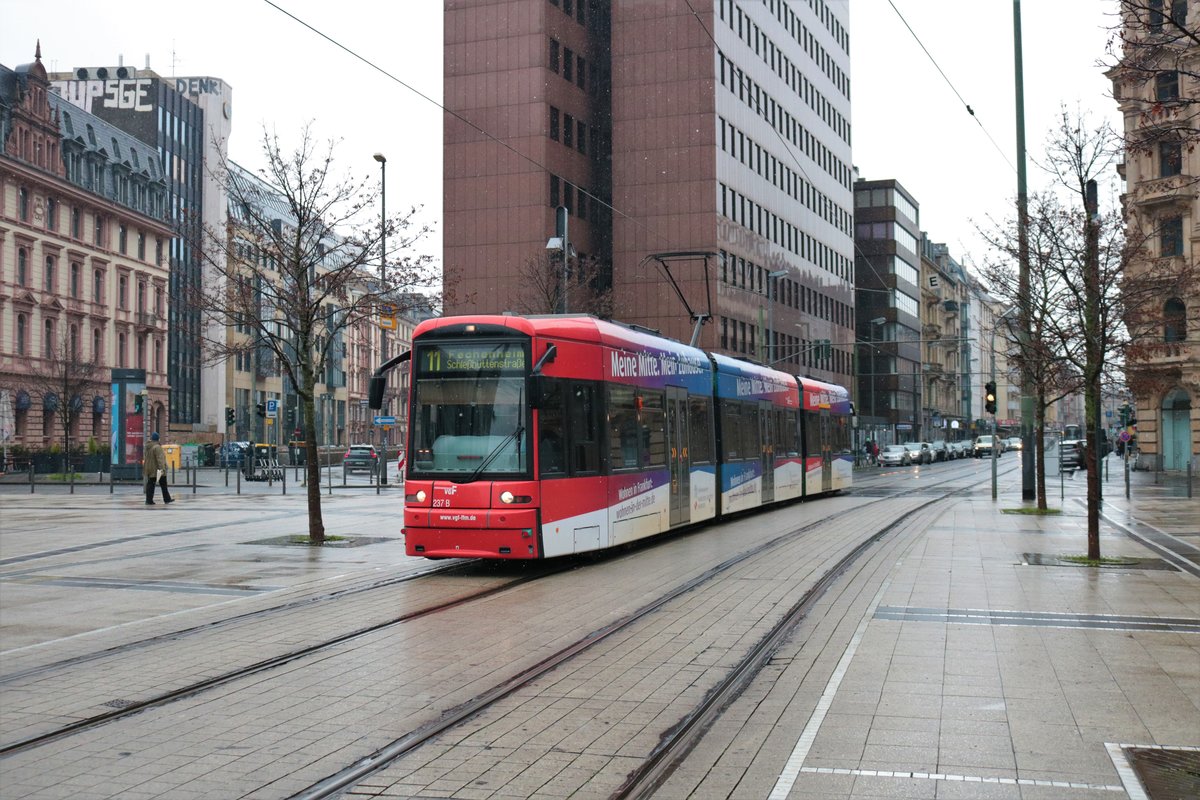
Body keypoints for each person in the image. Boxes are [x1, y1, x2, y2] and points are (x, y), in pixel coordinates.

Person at [144, 432, 173, 505]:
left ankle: (149, 500)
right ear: (158, 439)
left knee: (150, 484)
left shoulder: (148, 447)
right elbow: (160, 459)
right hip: (157, 470)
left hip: (150, 468)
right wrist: (162, 469)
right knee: (163, 485)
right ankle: (167, 499)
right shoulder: (157, 447)